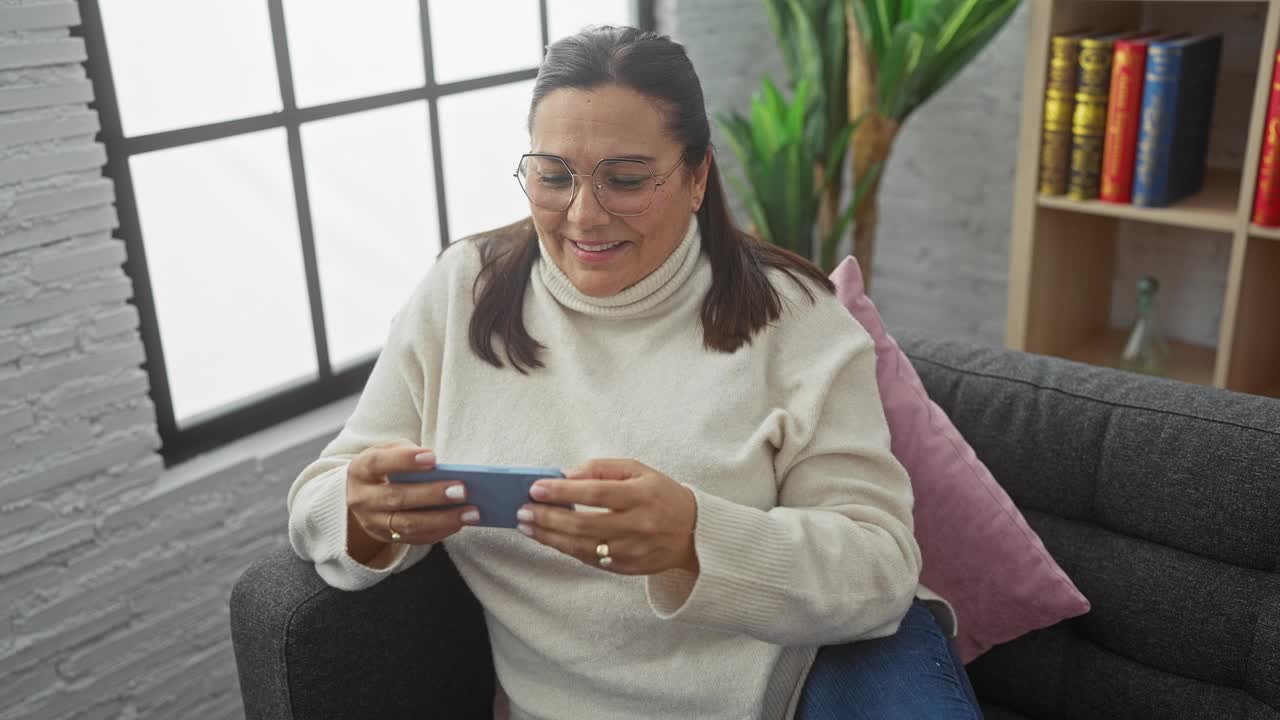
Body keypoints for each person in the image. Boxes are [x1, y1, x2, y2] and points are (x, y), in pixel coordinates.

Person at [287, 24, 980, 720]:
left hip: (807, 670)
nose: (584, 216)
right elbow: (315, 502)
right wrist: (363, 509)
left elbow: (880, 568)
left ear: (697, 175)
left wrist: (692, 539)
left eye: (624, 179)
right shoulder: (461, 292)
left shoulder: (795, 319)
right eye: (553, 176)